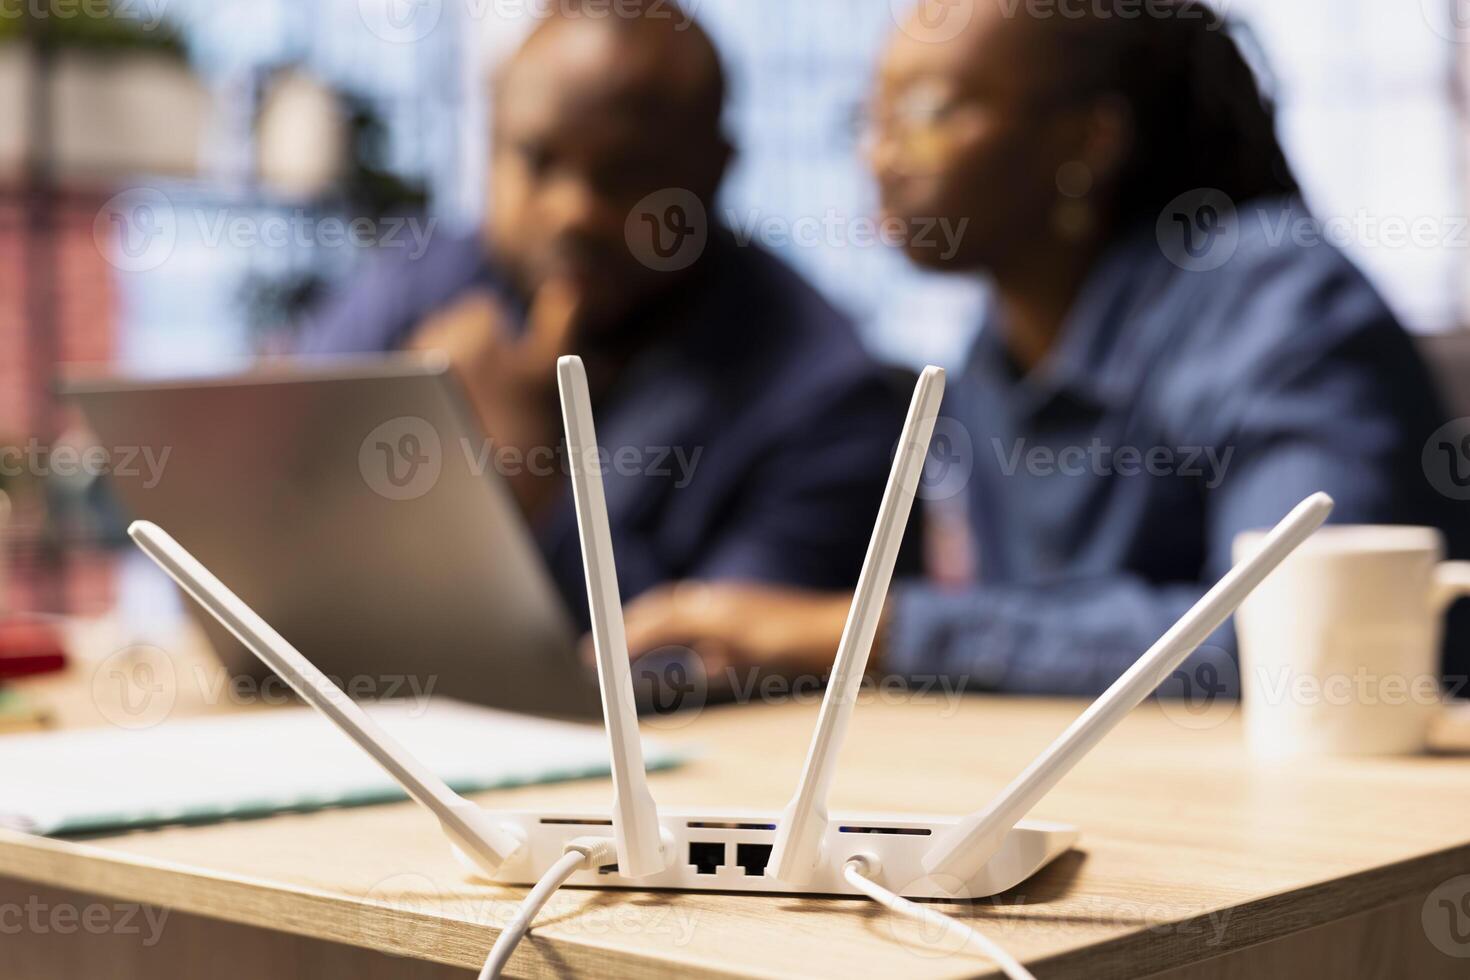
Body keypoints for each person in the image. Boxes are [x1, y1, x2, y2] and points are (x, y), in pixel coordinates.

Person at [618, 0, 1470, 695]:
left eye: (930, 112)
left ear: (1085, 143)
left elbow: (1300, 645)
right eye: (868, 116)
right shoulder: (992, 348)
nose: (880, 153)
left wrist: (870, 631)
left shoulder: (1278, 298)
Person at [300, 3, 902, 625]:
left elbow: (726, 663)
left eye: (628, 174)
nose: (572, 211)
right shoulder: (417, 287)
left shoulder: (823, 392)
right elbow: (271, 514)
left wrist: (526, 482)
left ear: (714, 171)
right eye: (536, 159)